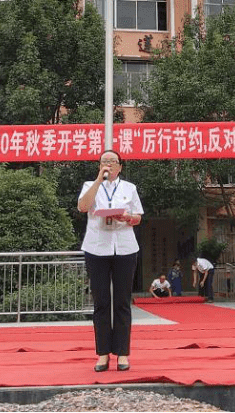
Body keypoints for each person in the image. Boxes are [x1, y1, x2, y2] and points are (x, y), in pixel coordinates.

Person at [78, 149, 143, 373]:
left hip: (125, 247)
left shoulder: (129, 188)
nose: (108, 164)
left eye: (112, 161)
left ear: (120, 166)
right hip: (97, 248)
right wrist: (98, 179)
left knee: (123, 302)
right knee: (101, 302)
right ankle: (103, 354)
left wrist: (127, 217)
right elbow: (83, 207)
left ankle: (122, 354)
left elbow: (138, 218)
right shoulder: (90, 185)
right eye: (104, 161)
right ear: (99, 165)